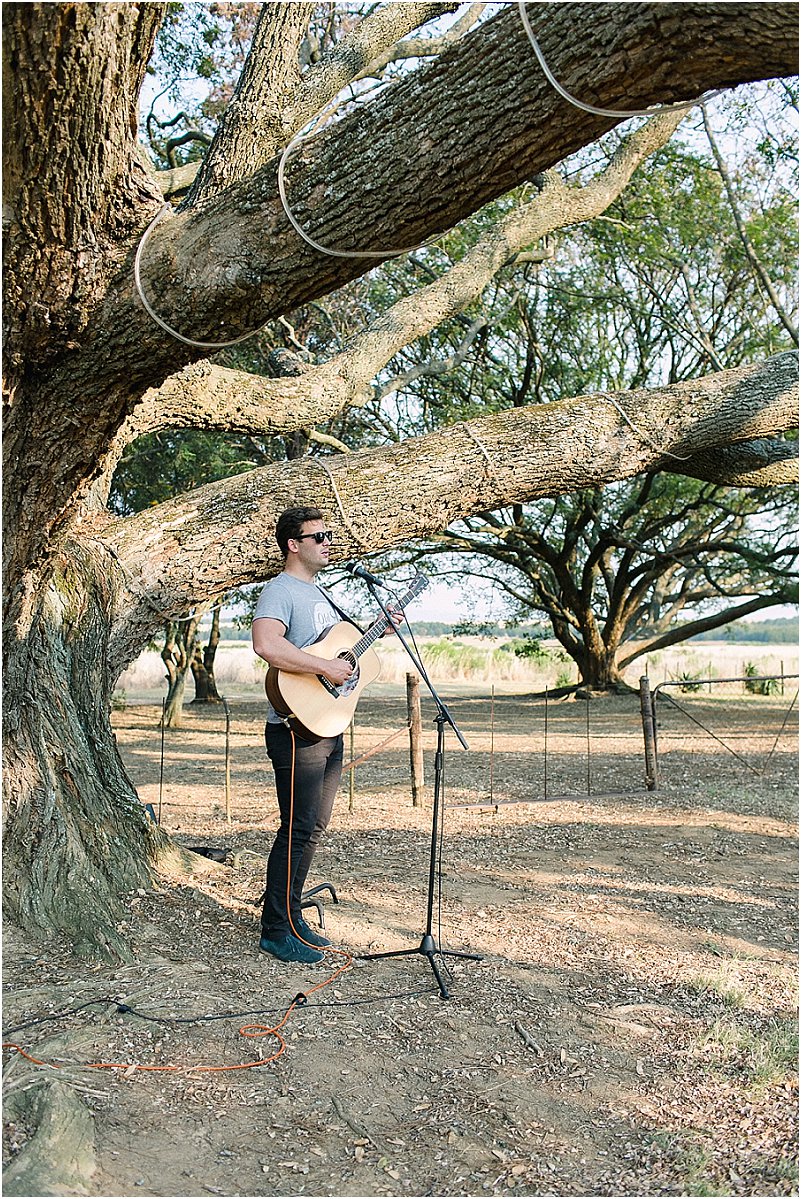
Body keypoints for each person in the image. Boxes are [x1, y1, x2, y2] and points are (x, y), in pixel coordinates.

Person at [252, 505, 396, 964]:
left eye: (329, 535)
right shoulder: (280, 590)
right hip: (295, 728)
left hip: (326, 725)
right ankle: (276, 930)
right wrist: (325, 667)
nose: (328, 542)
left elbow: (342, 661)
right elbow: (266, 645)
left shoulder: (323, 596)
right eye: (319, 536)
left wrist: (364, 648)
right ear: (294, 544)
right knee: (296, 830)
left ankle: (292, 917)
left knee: (311, 828)